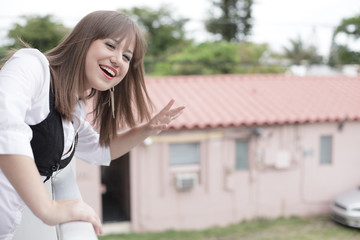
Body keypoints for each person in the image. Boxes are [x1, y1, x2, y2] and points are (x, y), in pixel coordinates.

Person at [0, 10, 184, 239]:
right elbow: (5, 129)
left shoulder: (74, 110)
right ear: (84, 40)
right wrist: (49, 209)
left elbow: (100, 149)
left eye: (127, 57)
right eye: (110, 45)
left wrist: (147, 129)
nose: (118, 59)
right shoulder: (32, 65)